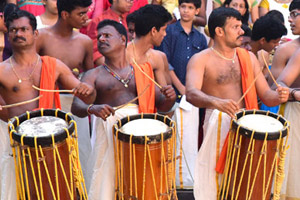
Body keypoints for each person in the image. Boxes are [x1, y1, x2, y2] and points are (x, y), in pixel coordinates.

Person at [184, 7, 289, 199]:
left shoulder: (248, 57)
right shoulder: (201, 59)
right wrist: (216, 102)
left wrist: (280, 96)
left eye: (241, 26)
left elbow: (266, 94)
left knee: (246, 180)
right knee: (215, 180)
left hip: (248, 123)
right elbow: (190, 93)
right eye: (236, 27)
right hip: (218, 121)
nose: (242, 31)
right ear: (219, 31)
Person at [71, 19, 176, 200]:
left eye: (107, 35)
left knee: (139, 182)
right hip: (109, 135)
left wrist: (170, 97)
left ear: (122, 39)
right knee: (107, 182)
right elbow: (76, 106)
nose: (102, 39)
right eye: (99, 37)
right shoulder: (93, 74)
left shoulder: (142, 71)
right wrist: (92, 108)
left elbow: (162, 105)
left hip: (140, 137)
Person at [0, 9, 95, 199]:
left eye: (24, 29)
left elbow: (86, 97)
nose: (18, 34)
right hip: (18, 145)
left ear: (35, 33)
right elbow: (3, 113)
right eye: (13, 30)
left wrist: (87, 91)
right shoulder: (2, 71)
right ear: (8, 34)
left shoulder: (53, 65)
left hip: (54, 143)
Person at [36, 0, 95, 180]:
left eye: (87, 12)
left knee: (82, 151)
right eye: (81, 13)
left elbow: (89, 77)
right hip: (48, 105)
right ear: (65, 14)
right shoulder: (41, 37)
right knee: (50, 153)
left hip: (76, 104)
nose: (86, 18)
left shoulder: (85, 42)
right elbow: (31, 69)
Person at [156, 0, 207, 189]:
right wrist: (182, 88)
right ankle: (166, 181)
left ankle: (184, 182)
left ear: (197, 11)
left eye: (190, 8)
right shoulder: (168, 32)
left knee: (189, 139)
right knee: (170, 136)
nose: (186, 11)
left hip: (192, 97)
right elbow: (165, 64)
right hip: (171, 94)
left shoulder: (200, 39)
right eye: (183, 7)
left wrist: (192, 90)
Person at [126, 4, 173, 88]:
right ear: (154, 31)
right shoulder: (122, 54)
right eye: (164, 30)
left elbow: (163, 94)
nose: (165, 34)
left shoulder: (157, 58)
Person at [86, 0, 133, 66]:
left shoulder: (130, 20)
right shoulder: (99, 21)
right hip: (108, 70)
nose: (131, 2)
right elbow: (97, 55)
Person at [269, 0, 300, 89]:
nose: (289, 20)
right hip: (292, 102)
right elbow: (273, 88)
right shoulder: (285, 49)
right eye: (290, 15)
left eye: (294, 14)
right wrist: (294, 93)